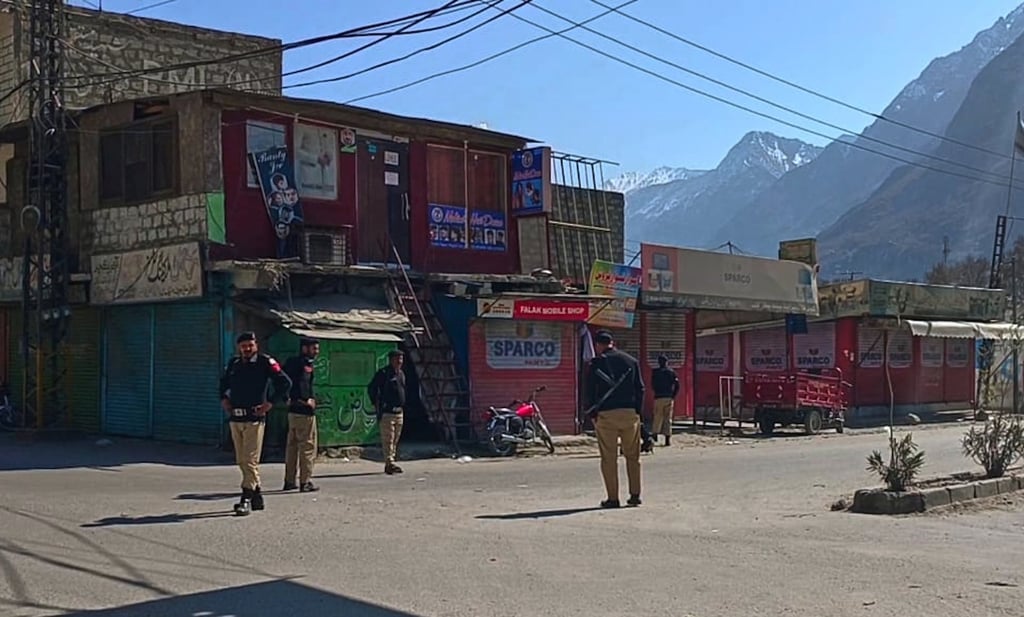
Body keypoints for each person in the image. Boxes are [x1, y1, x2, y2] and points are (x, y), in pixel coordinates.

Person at [219, 331, 292, 517]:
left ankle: (246, 497)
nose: (247, 349)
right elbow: (224, 384)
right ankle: (257, 494)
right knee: (241, 459)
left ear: (256, 345)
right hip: (236, 418)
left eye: (250, 345)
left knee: (249, 460)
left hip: (254, 418)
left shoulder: (265, 363)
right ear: (239, 348)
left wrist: (271, 403)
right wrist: (224, 399)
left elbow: (285, 383)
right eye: (243, 346)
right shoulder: (234, 364)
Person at [585, 330, 644, 508]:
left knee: (608, 458)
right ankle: (635, 495)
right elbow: (640, 389)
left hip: (607, 416)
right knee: (633, 456)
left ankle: (613, 498)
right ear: (612, 342)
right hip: (629, 414)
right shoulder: (631, 361)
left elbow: (589, 391)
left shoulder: (596, 363)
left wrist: (592, 414)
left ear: (598, 345)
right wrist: (637, 412)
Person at [283, 337, 321, 493]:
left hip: (292, 412)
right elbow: (302, 384)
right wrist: (306, 400)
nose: (316, 352)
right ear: (305, 349)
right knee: (307, 446)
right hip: (303, 412)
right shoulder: (303, 365)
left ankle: (289, 480)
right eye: (314, 348)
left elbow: (283, 382)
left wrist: (287, 399)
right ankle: (305, 481)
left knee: (292, 447)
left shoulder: (291, 363)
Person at [367, 350, 407, 475]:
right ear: (391, 360)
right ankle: (389, 463)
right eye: (397, 359)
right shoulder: (383, 374)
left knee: (395, 439)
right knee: (388, 439)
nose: (399, 362)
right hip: (387, 412)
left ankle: (391, 461)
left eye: (401, 359)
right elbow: (371, 388)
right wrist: (376, 404)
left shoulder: (401, 374)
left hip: (399, 412)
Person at [650, 354, 680, 447]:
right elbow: (677, 385)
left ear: (659, 363)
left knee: (657, 417)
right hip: (668, 397)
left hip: (658, 397)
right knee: (668, 418)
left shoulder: (655, 372)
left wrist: (657, 391)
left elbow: (653, 384)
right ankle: (667, 439)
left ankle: (655, 436)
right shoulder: (671, 372)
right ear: (667, 362)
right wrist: (673, 395)